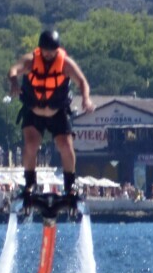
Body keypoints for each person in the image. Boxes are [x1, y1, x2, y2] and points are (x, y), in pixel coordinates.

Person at [9, 28, 94, 213]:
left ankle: (70, 185)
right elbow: (13, 69)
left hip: (57, 112)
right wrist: (14, 82)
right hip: (34, 110)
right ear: (40, 49)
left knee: (66, 145)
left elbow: (82, 81)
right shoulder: (31, 60)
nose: (48, 54)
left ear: (57, 50)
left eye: (52, 51)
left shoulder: (65, 64)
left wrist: (86, 99)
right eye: (45, 51)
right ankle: (30, 183)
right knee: (31, 145)